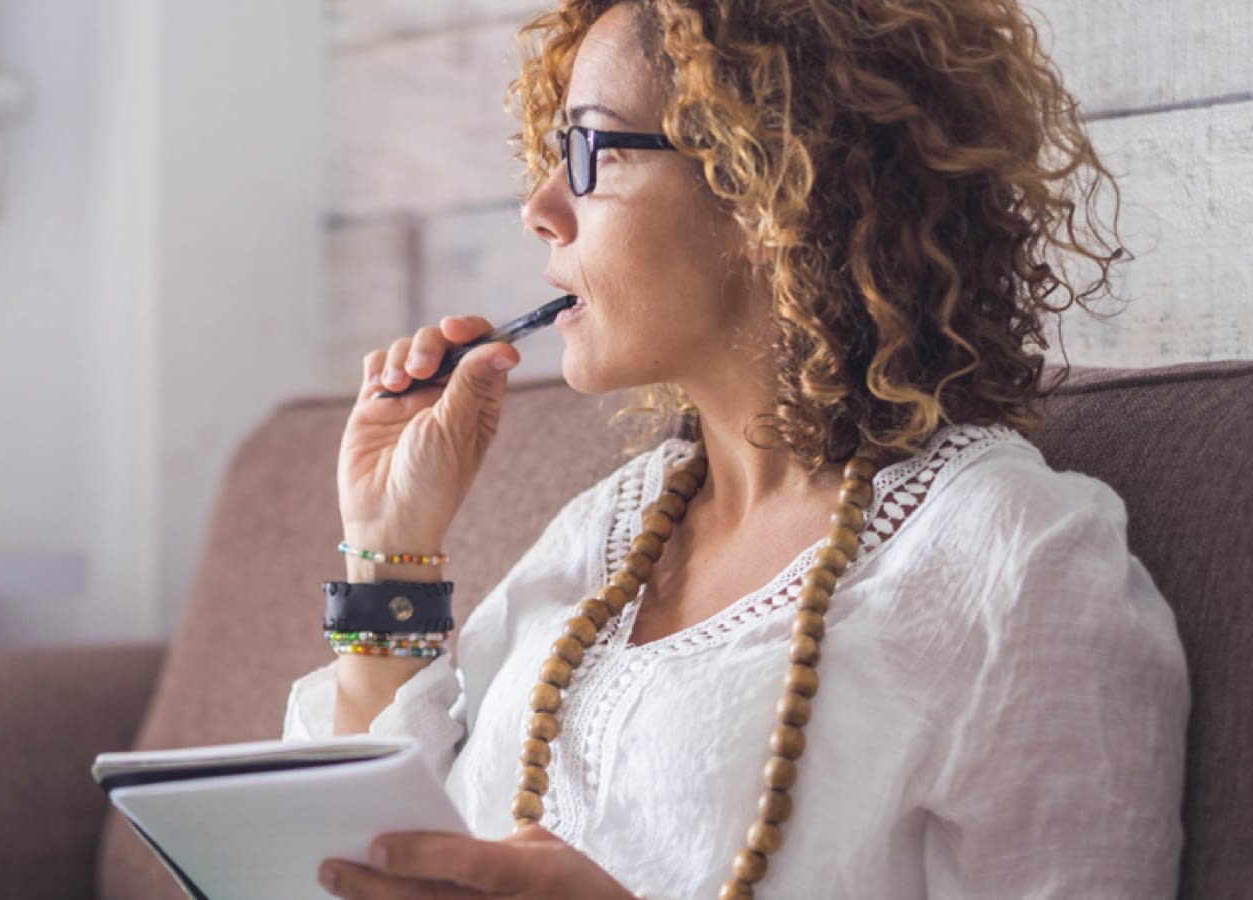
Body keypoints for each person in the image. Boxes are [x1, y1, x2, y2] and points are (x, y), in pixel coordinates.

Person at [287, 1, 1189, 897]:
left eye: (591, 150)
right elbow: (364, 859)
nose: (541, 209)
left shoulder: (1014, 557)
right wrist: (389, 550)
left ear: (771, 182)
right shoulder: (604, 533)